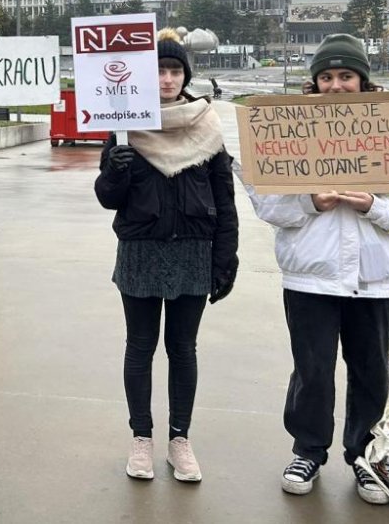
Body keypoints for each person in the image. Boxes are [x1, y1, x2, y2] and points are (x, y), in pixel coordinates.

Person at [248, 33, 389, 504]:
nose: (336, 85)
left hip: (377, 280)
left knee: (370, 372)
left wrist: (374, 205)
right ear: (316, 82)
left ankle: (365, 455)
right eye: (327, 76)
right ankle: (308, 450)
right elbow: (268, 205)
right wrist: (311, 202)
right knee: (311, 370)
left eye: (345, 75)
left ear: (362, 79)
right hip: (311, 276)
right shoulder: (288, 128)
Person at [94, 29, 239, 484]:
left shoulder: (207, 124)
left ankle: (180, 439)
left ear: (185, 75)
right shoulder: (125, 125)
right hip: (141, 250)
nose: (168, 79)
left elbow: (224, 195)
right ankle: (141, 438)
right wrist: (114, 173)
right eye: (159, 70)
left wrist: (225, 256)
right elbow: (106, 197)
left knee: (182, 348)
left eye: (175, 70)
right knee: (140, 347)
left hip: (193, 251)